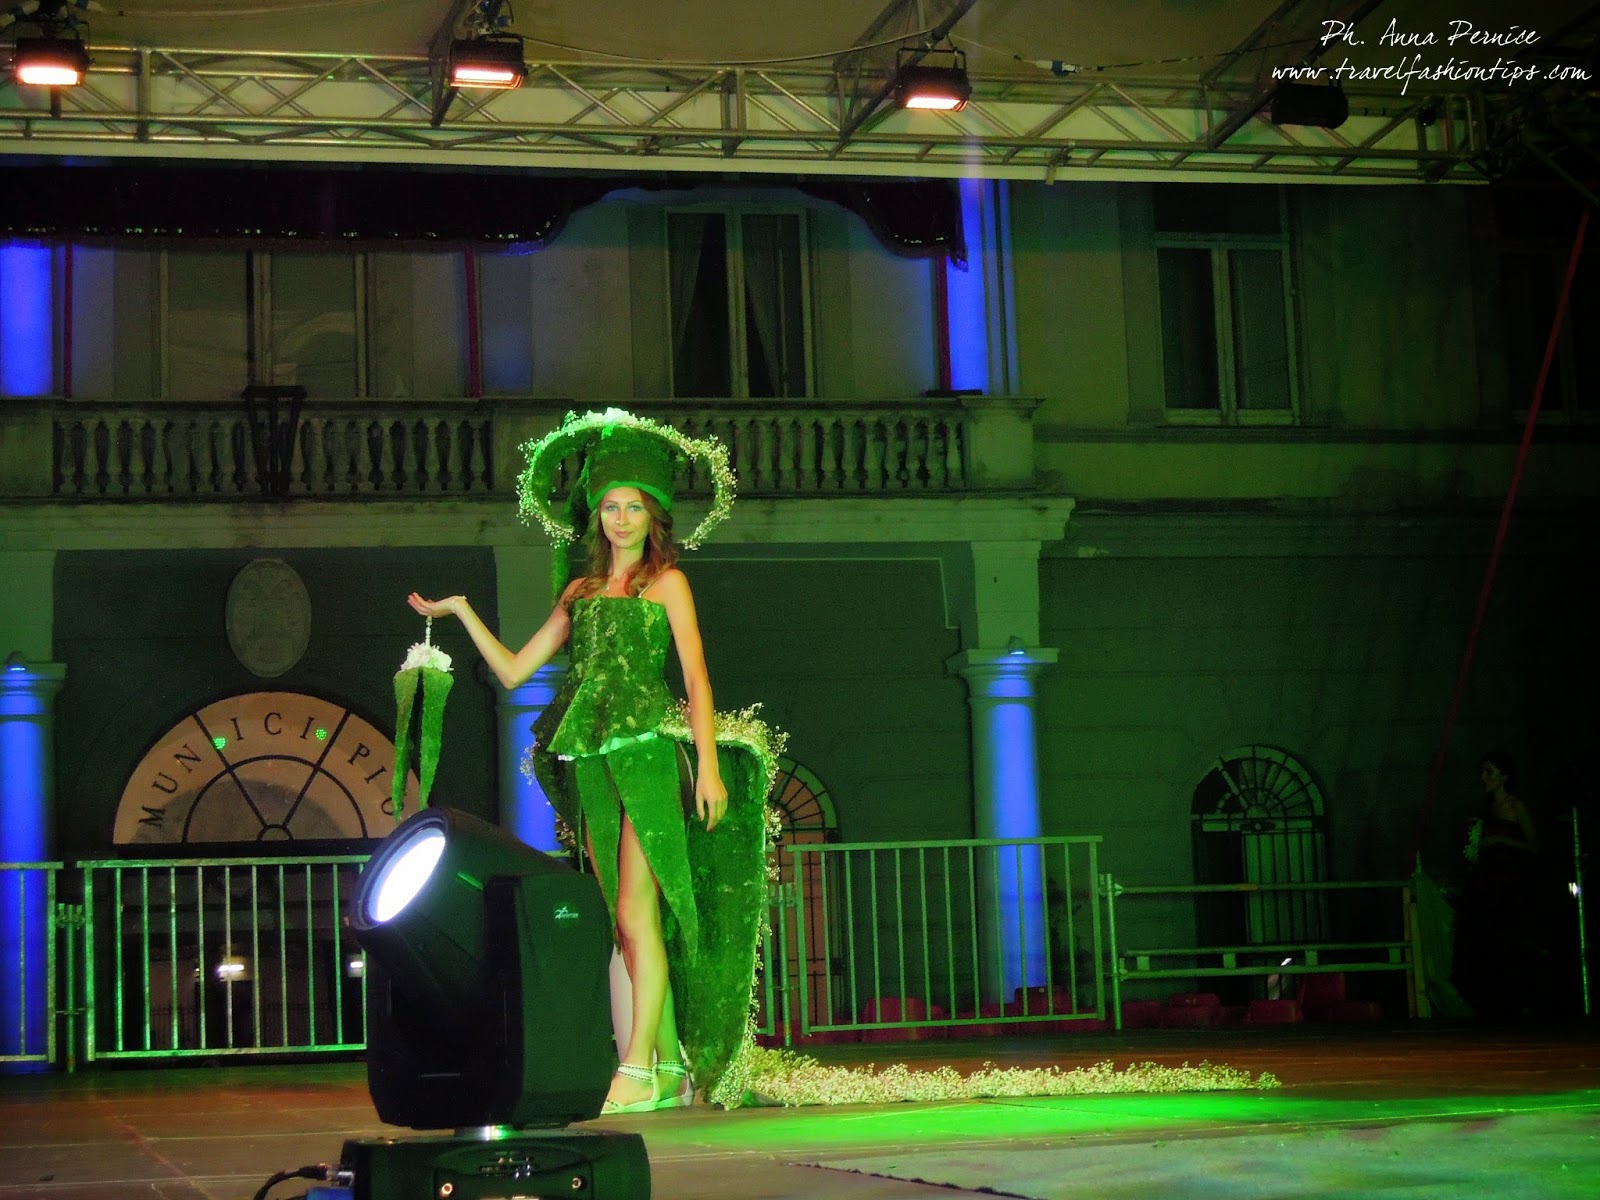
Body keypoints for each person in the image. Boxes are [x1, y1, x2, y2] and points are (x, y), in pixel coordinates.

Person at [408, 409, 778, 1112]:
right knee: (622, 918)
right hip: (591, 757)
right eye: (610, 506)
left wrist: (707, 766)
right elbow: (514, 671)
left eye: (634, 507)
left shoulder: (667, 584)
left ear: (653, 515)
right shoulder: (578, 594)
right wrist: (461, 611)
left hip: (646, 754)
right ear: (596, 515)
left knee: (638, 911)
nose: (621, 519)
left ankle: (636, 1067)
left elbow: (696, 677)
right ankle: (670, 1069)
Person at [1453, 751, 1540, 1020]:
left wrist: (1502, 841)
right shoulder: (1487, 810)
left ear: (1504, 776)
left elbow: (1535, 847)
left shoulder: (1516, 806)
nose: (1484, 777)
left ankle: (1519, 1001)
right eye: (1483, 772)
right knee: (1486, 943)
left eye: (1489, 772)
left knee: (1510, 942)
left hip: (1510, 885)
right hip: (1487, 883)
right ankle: (1493, 1003)